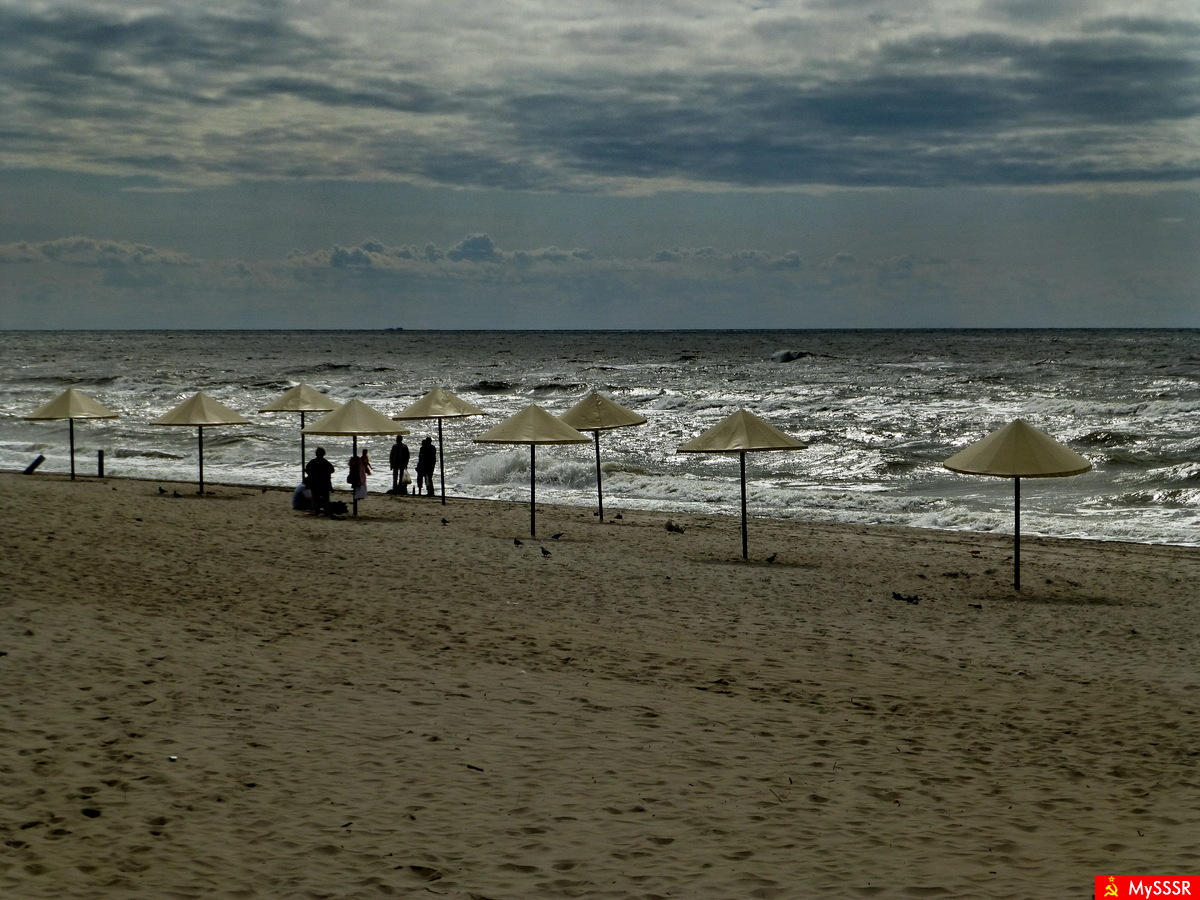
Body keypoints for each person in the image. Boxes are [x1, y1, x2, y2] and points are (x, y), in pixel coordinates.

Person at [304, 447, 335, 516]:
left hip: (315, 482)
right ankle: (326, 511)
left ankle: (316, 511)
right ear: (324, 454)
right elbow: (332, 470)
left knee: (315, 497)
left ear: (316, 454)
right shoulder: (326, 462)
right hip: (324, 482)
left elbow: (308, 470)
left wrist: (313, 474)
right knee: (325, 498)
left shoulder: (313, 462)